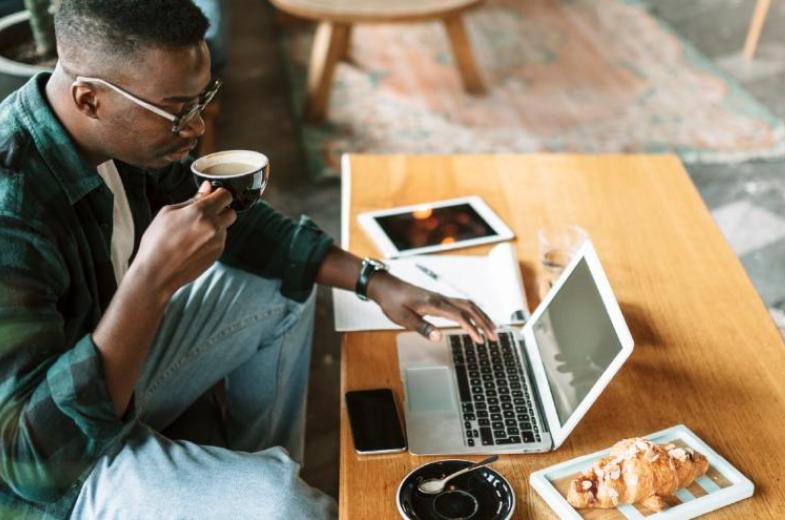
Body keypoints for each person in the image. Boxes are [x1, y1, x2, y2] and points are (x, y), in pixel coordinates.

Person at [0, 1, 496, 518]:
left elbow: (242, 228)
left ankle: (250, 469)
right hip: (54, 466)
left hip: (108, 373)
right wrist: (150, 283)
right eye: (176, 109)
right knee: (287, 508)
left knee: (282, 284)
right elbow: (32, 461)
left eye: (201, 100)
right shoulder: (11, 211)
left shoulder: (127, 140)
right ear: (91, 99)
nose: (193, 129)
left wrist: (374, 280)